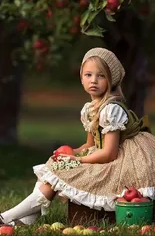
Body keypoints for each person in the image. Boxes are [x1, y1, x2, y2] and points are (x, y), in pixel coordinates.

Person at [1, 47, 155, 226]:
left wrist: (78, 161)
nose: (94, 81)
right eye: (88, 75)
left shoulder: (111, 109)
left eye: (101, 76)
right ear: (81, 78)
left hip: (126, 159)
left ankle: (6, 217)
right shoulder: (90, 109)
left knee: (65, 171)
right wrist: (72, 153)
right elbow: (90, 145)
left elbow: (109, 154)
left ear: (112, 80)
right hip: (104, 153)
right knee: (55, 165)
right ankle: (23, 220)